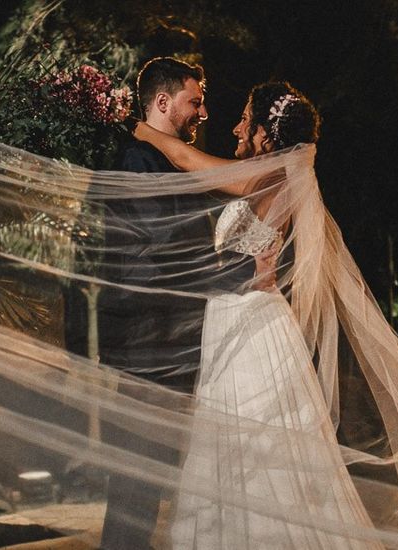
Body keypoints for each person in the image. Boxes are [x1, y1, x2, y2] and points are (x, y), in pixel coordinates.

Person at [133, 82, 382, 548]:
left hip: (248, 326)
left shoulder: (269, 178)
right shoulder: (273, 176)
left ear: (268, 137)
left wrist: (141, 130)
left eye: (246, 120)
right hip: (243, 316)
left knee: (254, 451)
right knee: (245, 447)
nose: (235, 126)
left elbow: (187, 161)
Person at [97, 57, 254, 550]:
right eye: (195, 101)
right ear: (162, 103)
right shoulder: (137, 163)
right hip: (147, 344)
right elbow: (161, 254)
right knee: (135, 481)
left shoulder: (164, 157)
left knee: (157, 477)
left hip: (171, 342)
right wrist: (245, 273)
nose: (203, 112)